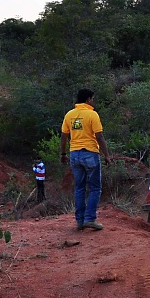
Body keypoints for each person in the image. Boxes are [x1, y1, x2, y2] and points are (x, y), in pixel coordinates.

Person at [60, 88, 111, 231]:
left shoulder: (69, 115)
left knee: (80, 187)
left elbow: (64, 136)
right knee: (95, 187)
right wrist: (106, 155)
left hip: (74, 155)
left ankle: (80, 220)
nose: (93, 101)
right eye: (92, 99)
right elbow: (99, 136)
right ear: (88, 99)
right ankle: (90, 219)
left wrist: (63, 154)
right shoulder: (92, 114)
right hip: (90, 153)